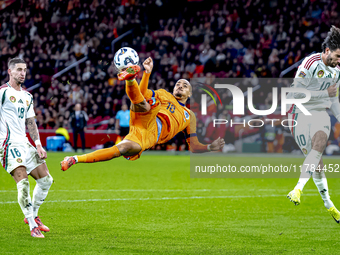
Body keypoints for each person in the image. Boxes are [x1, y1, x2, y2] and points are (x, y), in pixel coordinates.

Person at [61, 57, 224, 169]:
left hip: (147, 137)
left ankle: (74, 159)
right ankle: (131, 79)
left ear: (189, 94)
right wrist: (147, 73)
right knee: (147, 104)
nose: (180, 86)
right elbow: (143, 93)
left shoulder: (190, 116)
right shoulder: (164, 94)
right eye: (178, 84)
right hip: (150, 118)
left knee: (122, 149)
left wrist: (210, 147)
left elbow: (194, 146)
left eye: (185, 85)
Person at [286, 26, 340, 223]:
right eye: (337, 55)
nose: (339, 60)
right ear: (327, 51)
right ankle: (329, 204)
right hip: (296, 113)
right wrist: (323, 95)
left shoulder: (337, 72)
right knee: (316, 162)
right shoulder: (310, 64)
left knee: (319, 143)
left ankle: (297, 189)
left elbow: (334, 101)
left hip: (318, 112)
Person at [0, 58, 53, 238]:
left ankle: (35, 215)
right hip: (8, 144)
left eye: (25, 70)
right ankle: (32, 225)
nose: (23, 73)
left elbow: (31, 122)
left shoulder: (28, 96)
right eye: (19, 70)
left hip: (25, 143)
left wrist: (38, 144)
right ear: (10, 71)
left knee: (46, 180)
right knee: (23, 183)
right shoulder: (3, 93)